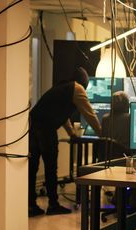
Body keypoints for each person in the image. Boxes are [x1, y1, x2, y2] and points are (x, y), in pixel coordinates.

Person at [29, 67, 101, 217]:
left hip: (32, 126)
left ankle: (31, 205)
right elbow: (89, 114)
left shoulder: (62, 87)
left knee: (32, 168)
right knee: (50, 168)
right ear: (84, 82)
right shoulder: (77, 88)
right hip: (46, 129)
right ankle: (53, 205)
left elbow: (63, 114)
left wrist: (71, 133)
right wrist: (103, 134)